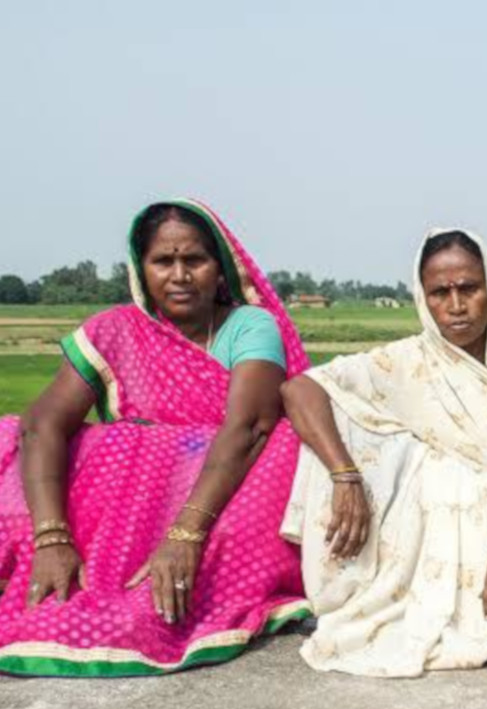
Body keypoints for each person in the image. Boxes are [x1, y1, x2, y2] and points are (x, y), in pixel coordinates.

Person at [280, 229, 487, 678]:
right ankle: (416, 591)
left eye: (469, 289)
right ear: (423, 298)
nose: (456, 305)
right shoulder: (406, 361)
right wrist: (345, 474)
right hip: (430, 534)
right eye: (440, 293)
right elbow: (301, 388)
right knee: (343, 426)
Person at [0, 199, 309, 676]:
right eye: (163, 261)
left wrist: (186, 534)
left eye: (195, 260)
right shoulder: (114, 330)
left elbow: (249, 426)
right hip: (124, 505)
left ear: (220, 269)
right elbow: (43, 423)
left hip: (219, 494)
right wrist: (51, 537)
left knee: (283, 445)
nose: (180, 275)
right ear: (141, 271)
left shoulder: (249, 326)